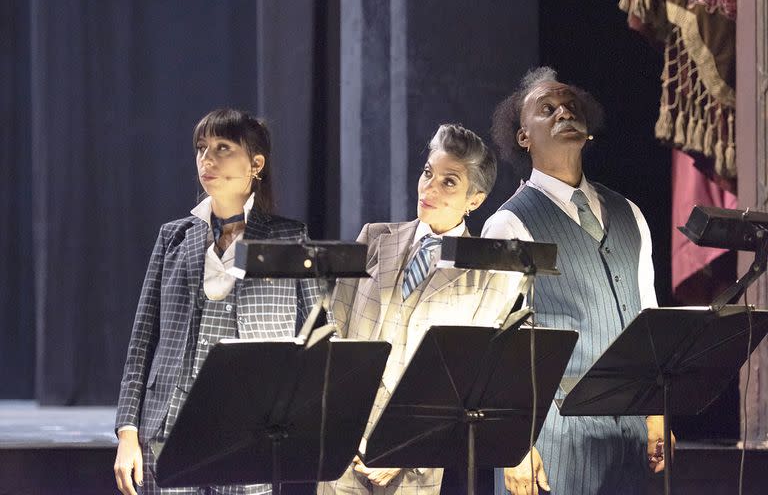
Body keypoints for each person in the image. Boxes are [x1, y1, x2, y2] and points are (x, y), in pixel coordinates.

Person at [482, 67, 673, 495]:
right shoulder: (509, 223)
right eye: (546, 109)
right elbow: (497, 347)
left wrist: (658, 413)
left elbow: (648, 321)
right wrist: (512, 447)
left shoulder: (631, 214)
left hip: (630, 438)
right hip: (553, 443)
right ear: (523, 137)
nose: (563, 111)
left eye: (571, 105)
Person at [114, 108, 323, 495]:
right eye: (201, 147)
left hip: (251, 430)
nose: (206, 159)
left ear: (256, 163)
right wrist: (128, 432)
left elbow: (318, 338)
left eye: (223, 147)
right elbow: (142, 341)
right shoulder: (173, 237)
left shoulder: (289, 238)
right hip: (168, 427)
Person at [317, 124, 510, 494]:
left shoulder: (487, 274)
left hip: (412, 464)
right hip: (344, 448)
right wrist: (339, 430)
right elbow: (334, 335)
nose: (430, 188)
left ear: (476, 199)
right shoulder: (374, 239)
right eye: (427, 173)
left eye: (449, 182)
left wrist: (403, 449)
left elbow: (464, 379)